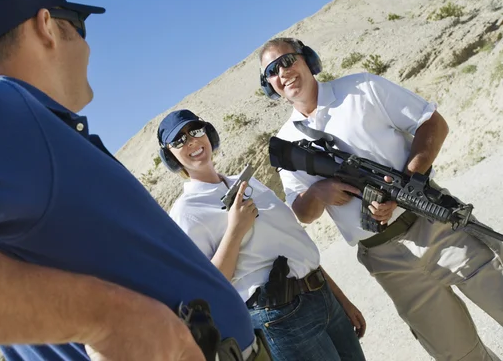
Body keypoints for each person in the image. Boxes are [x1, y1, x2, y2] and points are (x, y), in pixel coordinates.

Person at [0, 0, 265, 361]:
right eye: (79, 26)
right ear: (46, 25)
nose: (88, 47)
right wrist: (104, 318)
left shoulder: (32, 129)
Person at [258, 37, 503, 360]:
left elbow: (432, 123)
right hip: (385, 259)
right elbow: (301, 212)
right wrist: (319, 191)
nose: (283, 72)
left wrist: (409, 184)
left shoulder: (360, 88)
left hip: (433, 225)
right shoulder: (288, 144)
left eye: (288, 61)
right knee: (458, 353)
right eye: (272, 71)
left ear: (307, 60)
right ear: (270, 85)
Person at [156, 109, 368, 361]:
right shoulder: (186, 212)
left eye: (195, 131)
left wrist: (339, 298)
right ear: (171, 156)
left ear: (208, 132)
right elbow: (208, 288)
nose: (191, 141)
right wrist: (235, 230)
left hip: (322, 295)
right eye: (178, 141)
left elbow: (293, 245)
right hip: (281, 317)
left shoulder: (248, 182)